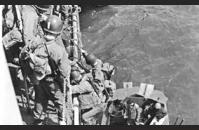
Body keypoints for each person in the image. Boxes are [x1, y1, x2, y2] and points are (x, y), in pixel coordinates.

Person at [20, 15, 72, 125]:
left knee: (40, 99)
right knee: (61, 102)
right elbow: (65, 72)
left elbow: (22, 55)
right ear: (58, 33)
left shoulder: (35, 42)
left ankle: (38, 119)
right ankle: (63, 120)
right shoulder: (58, 50)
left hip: (37, 79)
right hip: (52, 82)